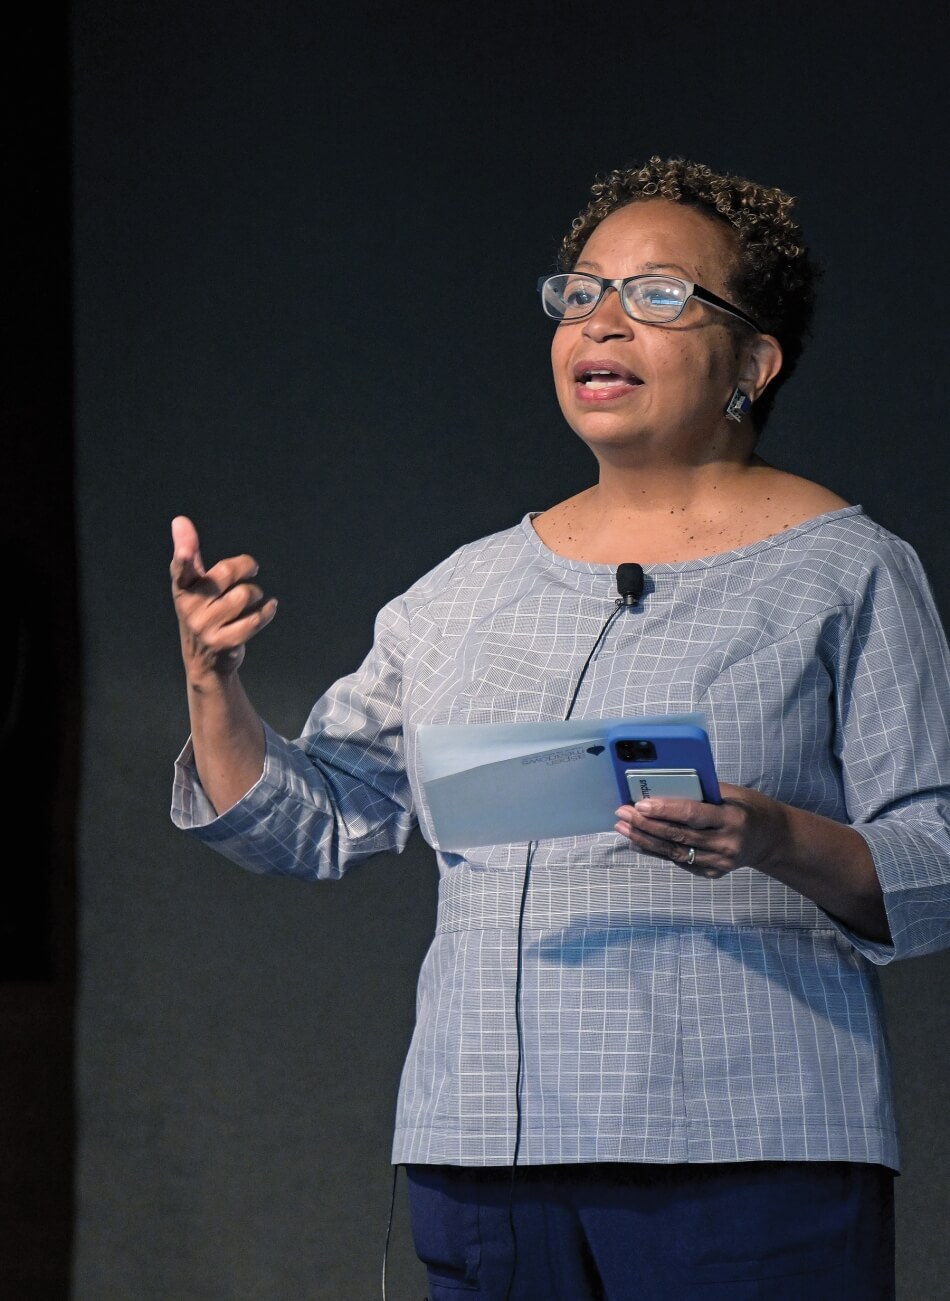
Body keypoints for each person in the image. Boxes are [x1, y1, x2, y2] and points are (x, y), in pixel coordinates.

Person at [170, 155, 950, 1299]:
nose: (602, 321)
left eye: (657, 296)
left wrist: (775, 835)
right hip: (481, 1150)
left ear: (752, 360)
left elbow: (933, 856)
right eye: (580, 293)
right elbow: (314, 817)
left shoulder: (846, 571)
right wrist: (212, 680)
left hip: (743, 1148)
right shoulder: (461, 590)